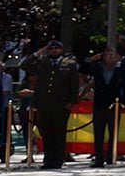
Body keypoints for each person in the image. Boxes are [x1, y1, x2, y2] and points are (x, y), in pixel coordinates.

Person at [22, 41, 82, 169]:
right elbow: (24, 65)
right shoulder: (42, 62)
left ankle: (58, 160)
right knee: (46, 132)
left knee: (59, 133)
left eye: (56, 48)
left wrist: (71, 102)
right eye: (51, 48)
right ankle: (48, 160)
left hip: (61, 104)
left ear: (61, 49)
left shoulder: (69, 64)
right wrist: (39, 52)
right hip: (44, 104)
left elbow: (74, 85)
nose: (54, 50)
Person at [85, 45, 125, 166]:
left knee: (113, 133)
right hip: (100, 104)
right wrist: (91, 60)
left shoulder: (121, 69)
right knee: (98, 133)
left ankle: (111, 158)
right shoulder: (98, 67)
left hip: (115, 104)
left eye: (113, 54)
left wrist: (124, 103)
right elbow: (83, 69)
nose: (110, 57)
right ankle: (99, 159)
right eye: (108, 54)